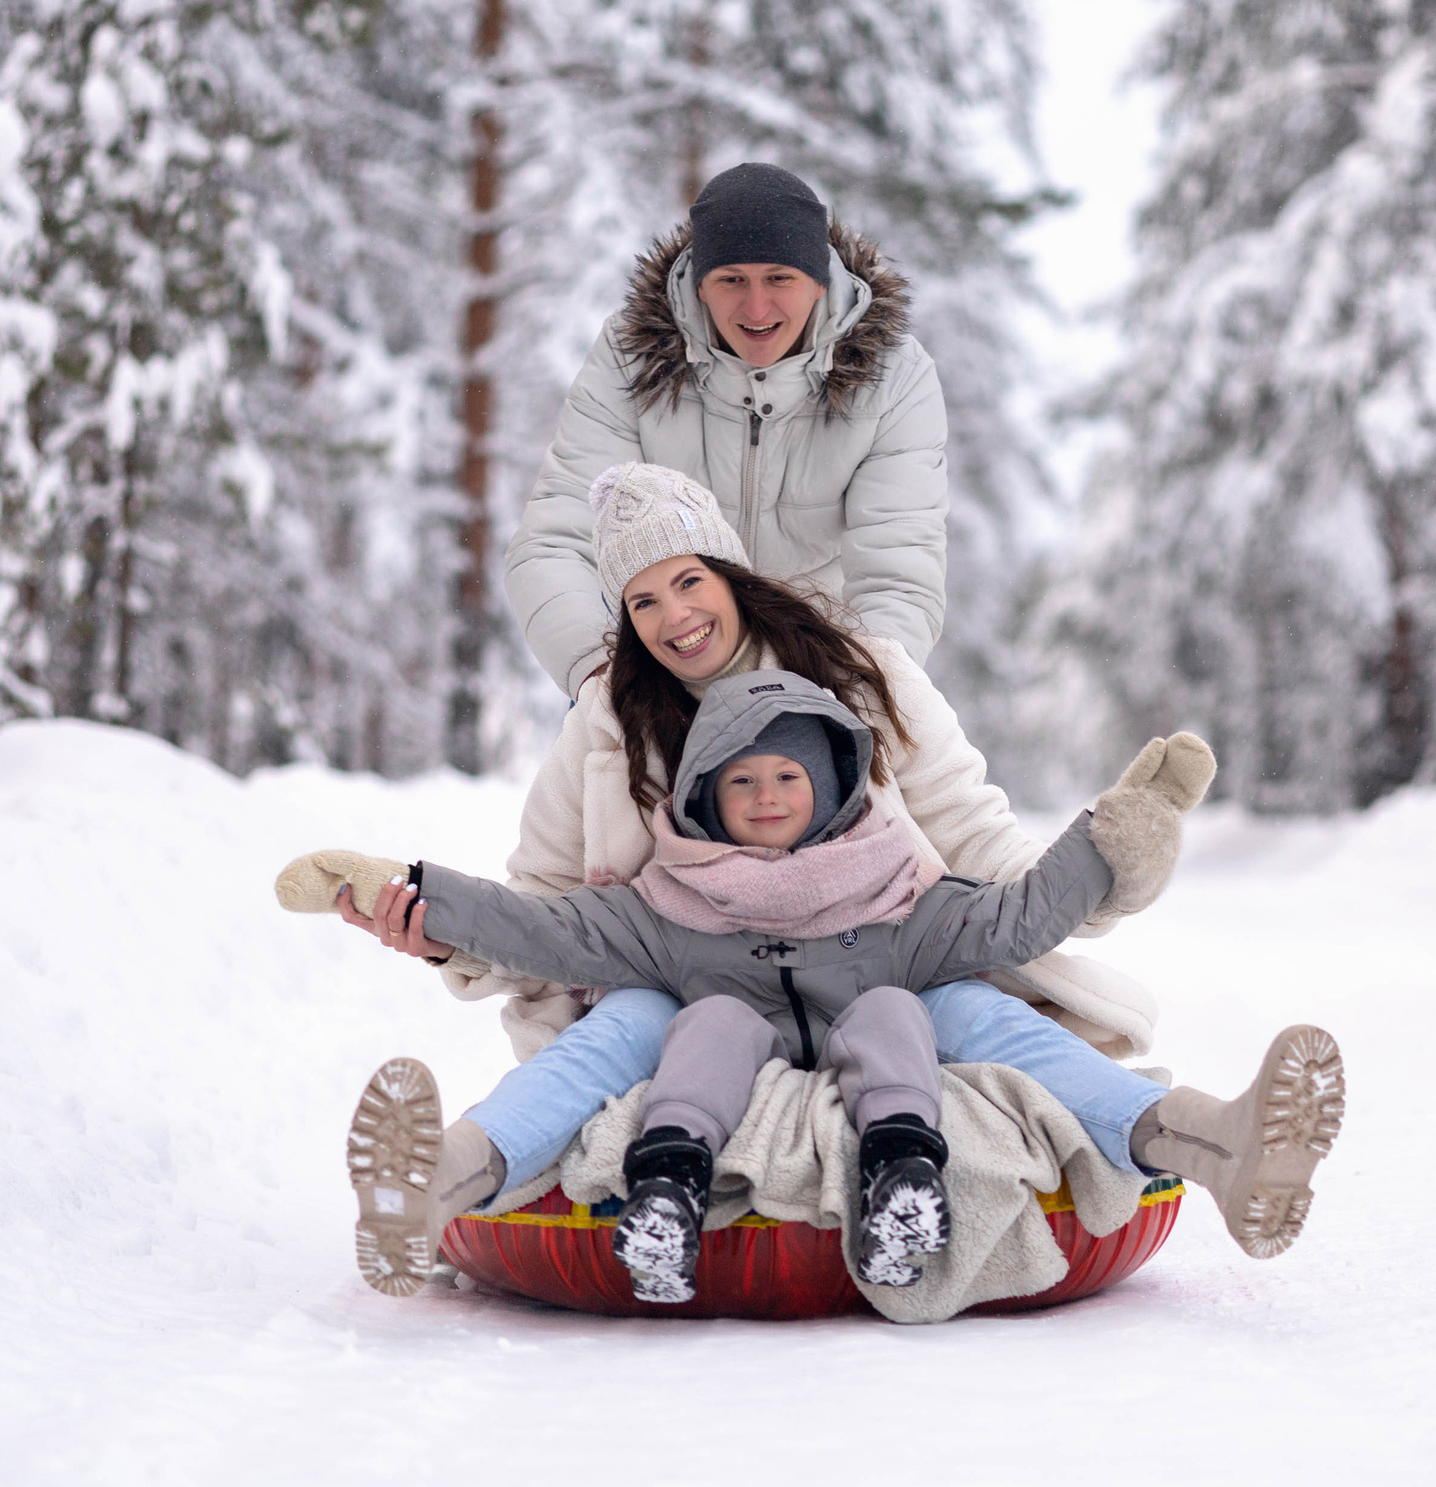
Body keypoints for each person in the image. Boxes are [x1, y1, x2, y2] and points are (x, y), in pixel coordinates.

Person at [286, 669, 1241, 1303]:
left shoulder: (899, 896)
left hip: (886, 1059)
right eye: (741, 782)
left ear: (829, 788)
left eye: (788, 774)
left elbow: (1017, 920)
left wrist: (1114, 833)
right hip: (715, 1062)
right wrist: (408, 891)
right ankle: (443, 1189)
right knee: (681, 1019)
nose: (768, 795)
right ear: (708, 800)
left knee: (927, 1007)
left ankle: (1191, 1145)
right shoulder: (670, 905)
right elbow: (543, 929)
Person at [504, 162, 948, 697]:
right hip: (660, 670)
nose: (756, 308)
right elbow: (556, 541)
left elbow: (898, 574)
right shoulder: (632, 358)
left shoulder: (893, 375)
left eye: (780, 278)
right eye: (732, 280)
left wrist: (852, 698)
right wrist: (604, 681)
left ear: (819, 283)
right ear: (700, 286)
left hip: (821, 667)